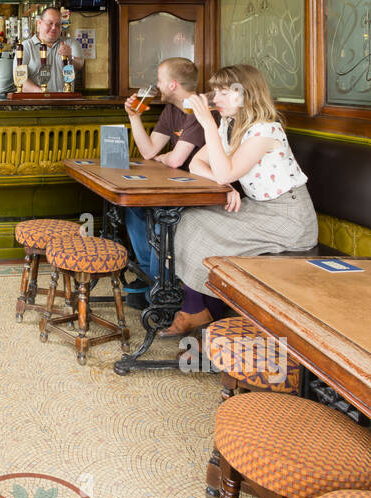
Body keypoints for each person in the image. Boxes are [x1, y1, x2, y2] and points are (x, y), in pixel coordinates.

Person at [162, 63, 318, 336]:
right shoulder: (228, 126)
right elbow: (197, 164)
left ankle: (200, 311)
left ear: (246, 94)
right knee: (190, 217)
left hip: (289, 218)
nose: (216, 98)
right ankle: (202, 309)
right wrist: (226, 186)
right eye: (215, 92)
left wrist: (207, 124)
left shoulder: (266, 131)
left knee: (202, 225)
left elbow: (223, 169)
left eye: (224, 92)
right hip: (258, 209)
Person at [122, 57, 208, 301]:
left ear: (172, 85)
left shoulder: (197, 110)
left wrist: (167, 156)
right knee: (135, 209)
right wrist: (134, 116)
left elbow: (175, 161)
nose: (156, 86)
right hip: (178, 185)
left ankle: (163, 286)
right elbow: (150, 152)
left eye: (159, 80)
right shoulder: (172, 110)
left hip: (205, 190)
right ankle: (152, 278)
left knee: (161, 215)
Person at [16, 6, 84, 92]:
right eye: (50, 23)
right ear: (39, 23)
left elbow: (80, 65)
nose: (54, 28)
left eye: (58, 25)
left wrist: (70, 57)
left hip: (65, 102)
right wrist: (42, 93)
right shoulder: (25, 47)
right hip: (35, 103)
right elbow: (20, 79)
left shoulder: (70, 43)